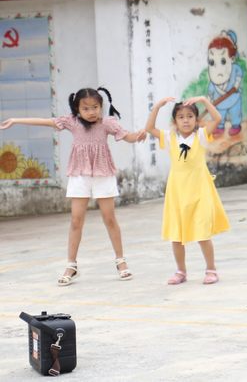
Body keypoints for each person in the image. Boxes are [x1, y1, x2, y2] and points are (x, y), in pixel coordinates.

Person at [1, 87, 146, 285]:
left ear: (101, 107)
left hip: (103, 174)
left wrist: (139, 135)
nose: (92, 111)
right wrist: (17, 120)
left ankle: (121, 261)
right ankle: (71, 265)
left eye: (95, 107)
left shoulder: (107, 123)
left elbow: (128, 136)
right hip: (80, 174)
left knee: (109, 218)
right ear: (77, 109)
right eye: (86, 108)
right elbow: (47, 122)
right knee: (76, 220)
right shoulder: (72, 122)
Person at [146, 96, 230, 285]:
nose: (185, 120)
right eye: (181, 117)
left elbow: (217, 119)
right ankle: (180, 271)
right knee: (176, 235)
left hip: (199, 191)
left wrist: (203, 100)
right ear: (175, 121)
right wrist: (158, 106)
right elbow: (149, 128)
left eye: (190, 116)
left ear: (196, 120)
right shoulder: (169, 138)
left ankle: (211, 269)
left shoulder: (200, 135)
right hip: (177, 192)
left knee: (202, 233)